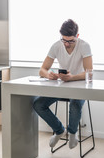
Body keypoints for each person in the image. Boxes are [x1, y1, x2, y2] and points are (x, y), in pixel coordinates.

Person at [33, 19, 93, 149]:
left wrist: (71, 78)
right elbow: (42, 69)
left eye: (70, 41)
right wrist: (49, 74)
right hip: (62, 86)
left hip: (79, 86)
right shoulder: (56, 46)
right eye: (64, 40)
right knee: (38, 104)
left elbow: (89, 73)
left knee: (75, 103)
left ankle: (72, 133)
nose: (67, 44)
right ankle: (59, 130)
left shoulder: (84, 46)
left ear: (77, 36)